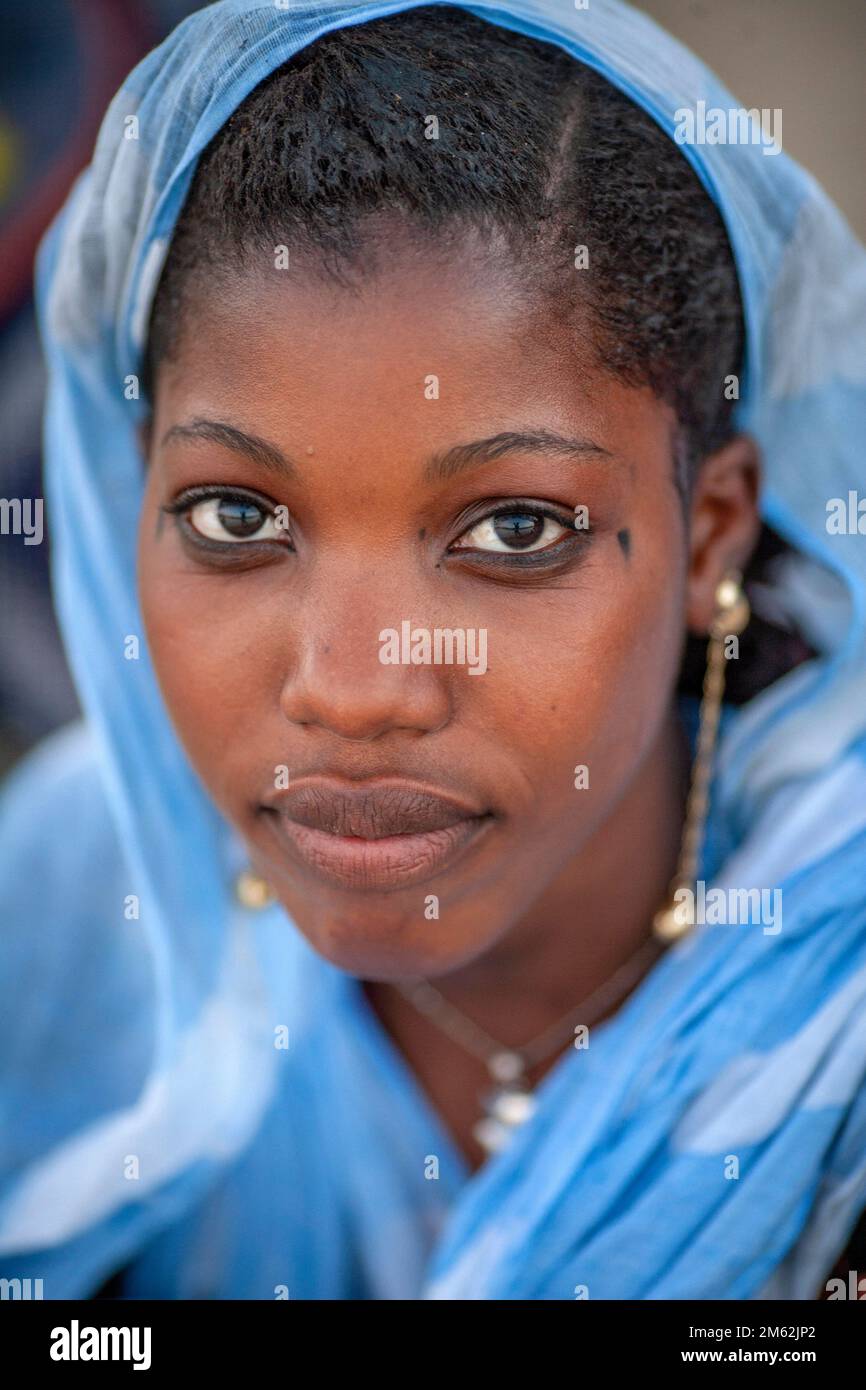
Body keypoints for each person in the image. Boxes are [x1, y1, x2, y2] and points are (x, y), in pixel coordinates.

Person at [1, 0, 865, 1301]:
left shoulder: (832, 1021)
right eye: (237, 516)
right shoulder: (59, 910)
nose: (352, 688)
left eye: (513, 528)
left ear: (708, 540)